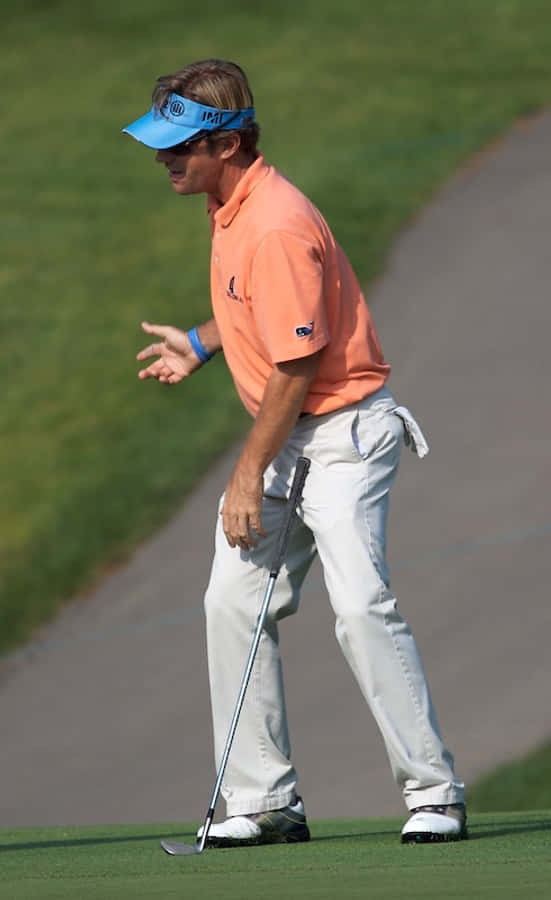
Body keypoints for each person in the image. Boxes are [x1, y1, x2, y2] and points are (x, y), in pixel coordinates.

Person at [123, 59, 467, 846]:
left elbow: (297, 364)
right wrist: (204, 344)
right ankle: (261, 800)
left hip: (341, 437)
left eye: (179, 147)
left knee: (359, 607)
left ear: (230, 142)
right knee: (231, 605)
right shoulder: (230, 205)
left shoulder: (273, 221)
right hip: (290, 435)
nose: (163, 160)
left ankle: (434, 793)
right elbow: (265, 312)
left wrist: (246, 475)